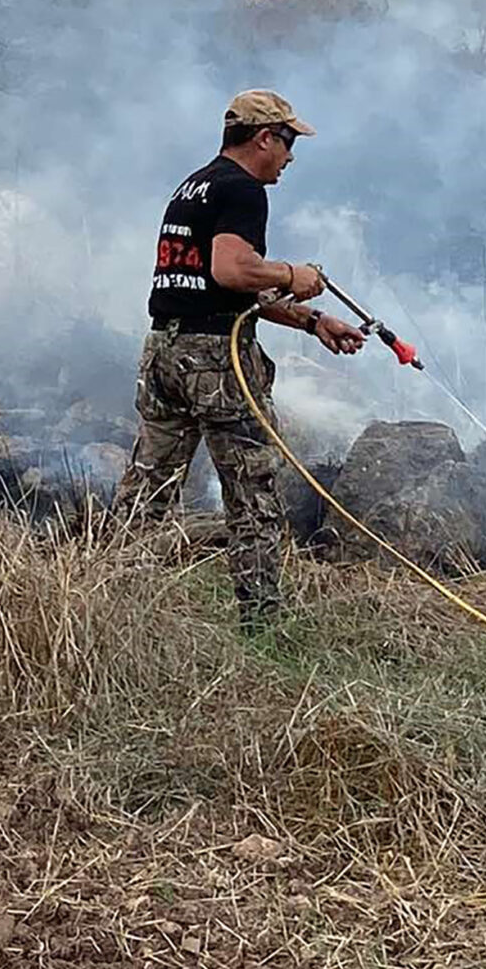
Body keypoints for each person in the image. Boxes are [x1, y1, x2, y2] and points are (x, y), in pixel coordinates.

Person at [113, 89, 366, 630]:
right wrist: (291, 274)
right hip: (213, 363)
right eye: (289, 141)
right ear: (263, 138)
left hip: (165, 352)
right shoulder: (243, 191)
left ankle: (110, 604)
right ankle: (262, 622)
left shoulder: (194, 187)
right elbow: (233, 271)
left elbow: (221, 289)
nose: (291, 156)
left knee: (148, 488)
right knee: (252, 490)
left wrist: (314, 320)